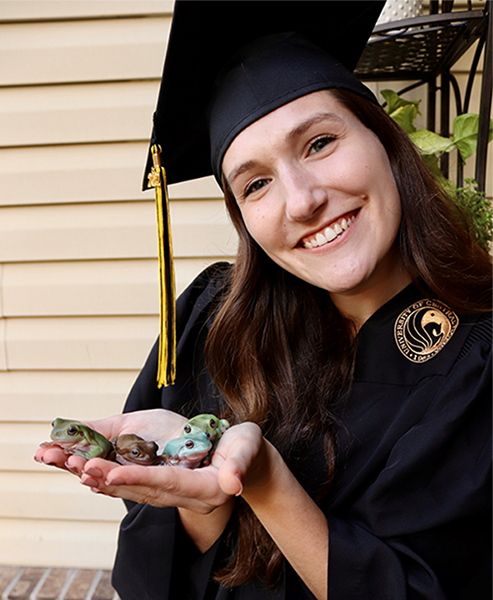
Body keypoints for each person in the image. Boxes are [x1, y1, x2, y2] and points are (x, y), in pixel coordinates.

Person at [35, 0, 493, 598]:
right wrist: (202, 500)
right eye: (256, 183)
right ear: (243, 217)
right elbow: (154, 576)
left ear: (384, 139)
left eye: (320, 143)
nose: (301, 201)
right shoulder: (212, 321)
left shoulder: (476, 362)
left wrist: (264, 481)